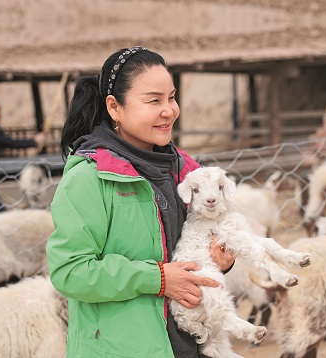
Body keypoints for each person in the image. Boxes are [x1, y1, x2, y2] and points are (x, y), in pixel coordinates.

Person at [46, 46, 236, 358]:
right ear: (114, 107)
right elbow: (70, 271)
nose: (169, 110)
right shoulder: (91, 179)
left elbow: (195, 247)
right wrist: (158, 279)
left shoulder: (188, 173)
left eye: (171, 97)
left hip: (194, 346)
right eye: (154, 100)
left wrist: (219, 260)